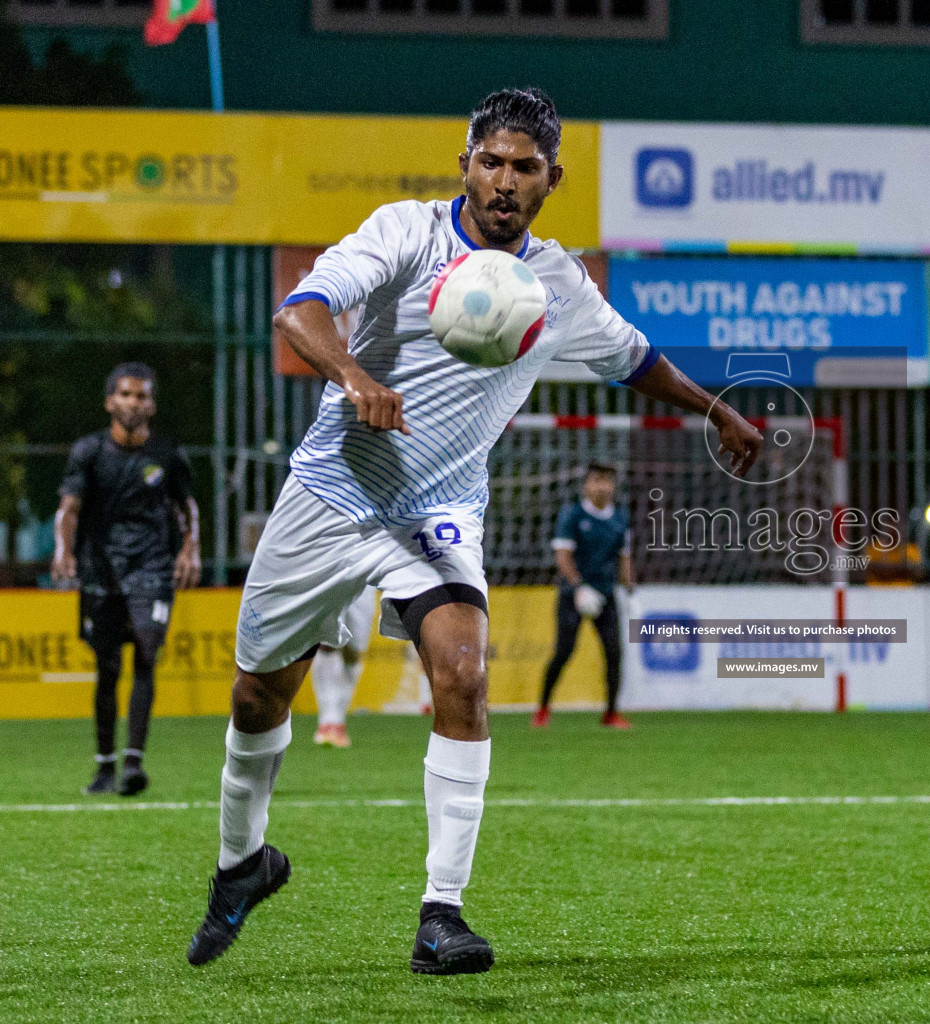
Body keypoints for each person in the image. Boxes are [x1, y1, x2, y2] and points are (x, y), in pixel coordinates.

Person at [185, 88, 763, 975]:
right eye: (489, 161)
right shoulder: (406, 233)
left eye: (524, 168)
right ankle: (242, 866)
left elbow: (632, 356)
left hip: (440, 508)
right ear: (465, 163)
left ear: (551, 179)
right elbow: (297, 311)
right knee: (258, 698)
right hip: (333, 490)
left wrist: (715, 409)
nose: (504, 181)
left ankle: (440, 915)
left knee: (463, 674)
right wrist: (351, 376)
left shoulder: (558, 285)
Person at [52, 364, 199, 798]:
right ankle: (104, 767)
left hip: (152, 568)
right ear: (109, 402)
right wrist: (63, 550)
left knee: (147, 655)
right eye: (126, 395)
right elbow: (69, 509)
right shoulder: (89, 451)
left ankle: (134, 764)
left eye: (141, 396)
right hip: (101, 570)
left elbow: (187, 508)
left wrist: (190, 550)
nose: (133, 403)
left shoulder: (168, 455)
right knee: (108, 667)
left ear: (151, 404)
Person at [534, 463, 633, 729]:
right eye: (596, 480)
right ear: (586, 485)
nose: (601, 486)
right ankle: (543, 707)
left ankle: (611, 712)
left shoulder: (620, 518)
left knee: (614, 653)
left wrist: (631, 591)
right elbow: (563, 557)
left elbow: (624, 558)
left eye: (606, 481)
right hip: (573, 595)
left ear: (613, 486)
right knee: (564, 652)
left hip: (605, 594)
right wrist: (579, 587)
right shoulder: (573, 516)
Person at [311, 587, 377, 748]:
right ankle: (327, 721)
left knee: (353, 651)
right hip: (330, 572)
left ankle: (338, 719)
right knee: (326, 643)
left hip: (365, 580)